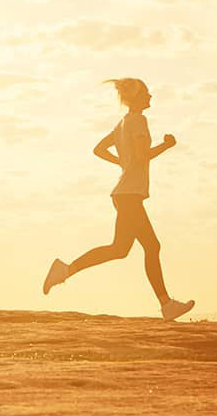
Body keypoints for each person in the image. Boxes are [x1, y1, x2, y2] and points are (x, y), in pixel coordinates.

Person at [43, 78, 194, 321]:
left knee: (132, 248)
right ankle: (65, 270)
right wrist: (167, 145)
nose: (151, 96)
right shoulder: (138, 121)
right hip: (129, 195)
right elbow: (143, 155)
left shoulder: (123, 123)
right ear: (137, 98)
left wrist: (123, 164)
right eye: (146, 93)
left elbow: (99, 149)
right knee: (132, 248)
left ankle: (166, 304)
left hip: (125, 193)